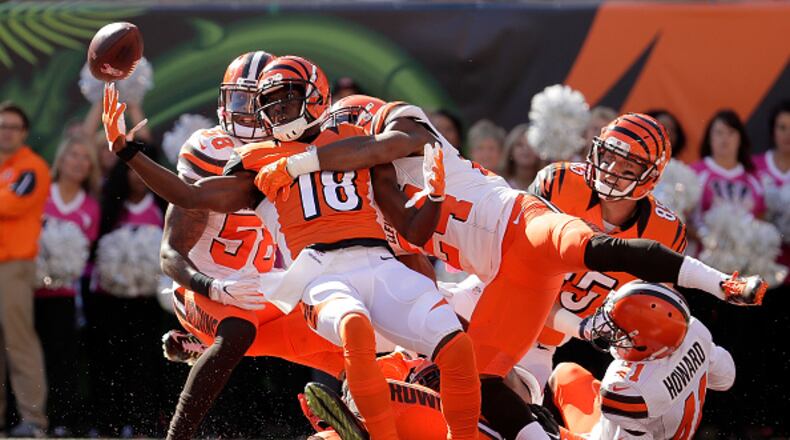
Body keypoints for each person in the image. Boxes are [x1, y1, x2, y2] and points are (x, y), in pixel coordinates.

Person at [258, 99, 766, 440]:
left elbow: (639, 306)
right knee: (410, 352)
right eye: (608, 158)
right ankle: (367, 410)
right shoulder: (376, 187)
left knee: (485, 387)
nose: (610, 173)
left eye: (627, 166)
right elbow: (411, 245)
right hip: (495, 286)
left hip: (540, 309)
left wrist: (712, 296)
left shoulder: (402, 135)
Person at [103, 56, 482, 440]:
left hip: (325, 273)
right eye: (266, 102)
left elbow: (403, 165)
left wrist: (430, 194)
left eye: (283, 99)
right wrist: (128, 152)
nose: (272, 111)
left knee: (443, 341)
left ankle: (407, 418)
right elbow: (188, 197)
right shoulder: (249, 160)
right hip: (275, 278)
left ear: (316, 96)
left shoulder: (349, 137)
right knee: (334, 329)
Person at [152, 51, 346, 440]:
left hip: (267, 291)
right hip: (204, 290)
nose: (244, 113)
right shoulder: (210, 150)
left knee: (349, 342)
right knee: (236, 329)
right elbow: (170, 252)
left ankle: (363, 426)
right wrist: (212, 287)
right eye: (238, 100)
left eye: (256, 102)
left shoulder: (298, 154)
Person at [549, 281, 734, 440]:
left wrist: (555, 435)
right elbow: (726, 378)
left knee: (528, 422)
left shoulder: (627, 388)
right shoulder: (690, 330)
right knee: (566, 373)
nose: (612, 332)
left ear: (647, 343)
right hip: (659, 428)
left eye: (620, 330)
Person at [34, 135, 100, 436]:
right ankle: (23, 416)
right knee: (27, 355)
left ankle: (61, 419)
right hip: (28, 290)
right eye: (73, 155)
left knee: (62, 357)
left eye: (85, 158)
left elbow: (83, 254)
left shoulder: (90, 207)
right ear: (60, 160)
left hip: (64, 295)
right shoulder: (39, 194)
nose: (79, 162)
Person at [0, 101, 50, 437]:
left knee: (18, 341)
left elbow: (10, 203)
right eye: (1, 126)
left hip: (13, 265)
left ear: (24, 133)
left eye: (12, 127)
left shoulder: (32, 167)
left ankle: (33, 420)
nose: (6, 132)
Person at [691, 109, 764, 220]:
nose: (725, 139)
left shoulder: (754, 177)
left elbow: (760, 219)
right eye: (719, 132)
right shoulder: (694, 173)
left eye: (731, 132)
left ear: (740, 139)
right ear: (709, 138)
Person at [500, 123, 541, 190]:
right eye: (520, 145)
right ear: (511, 151)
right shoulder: (500, 186)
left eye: (531, 144)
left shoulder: (550, 187)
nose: (525, 149)